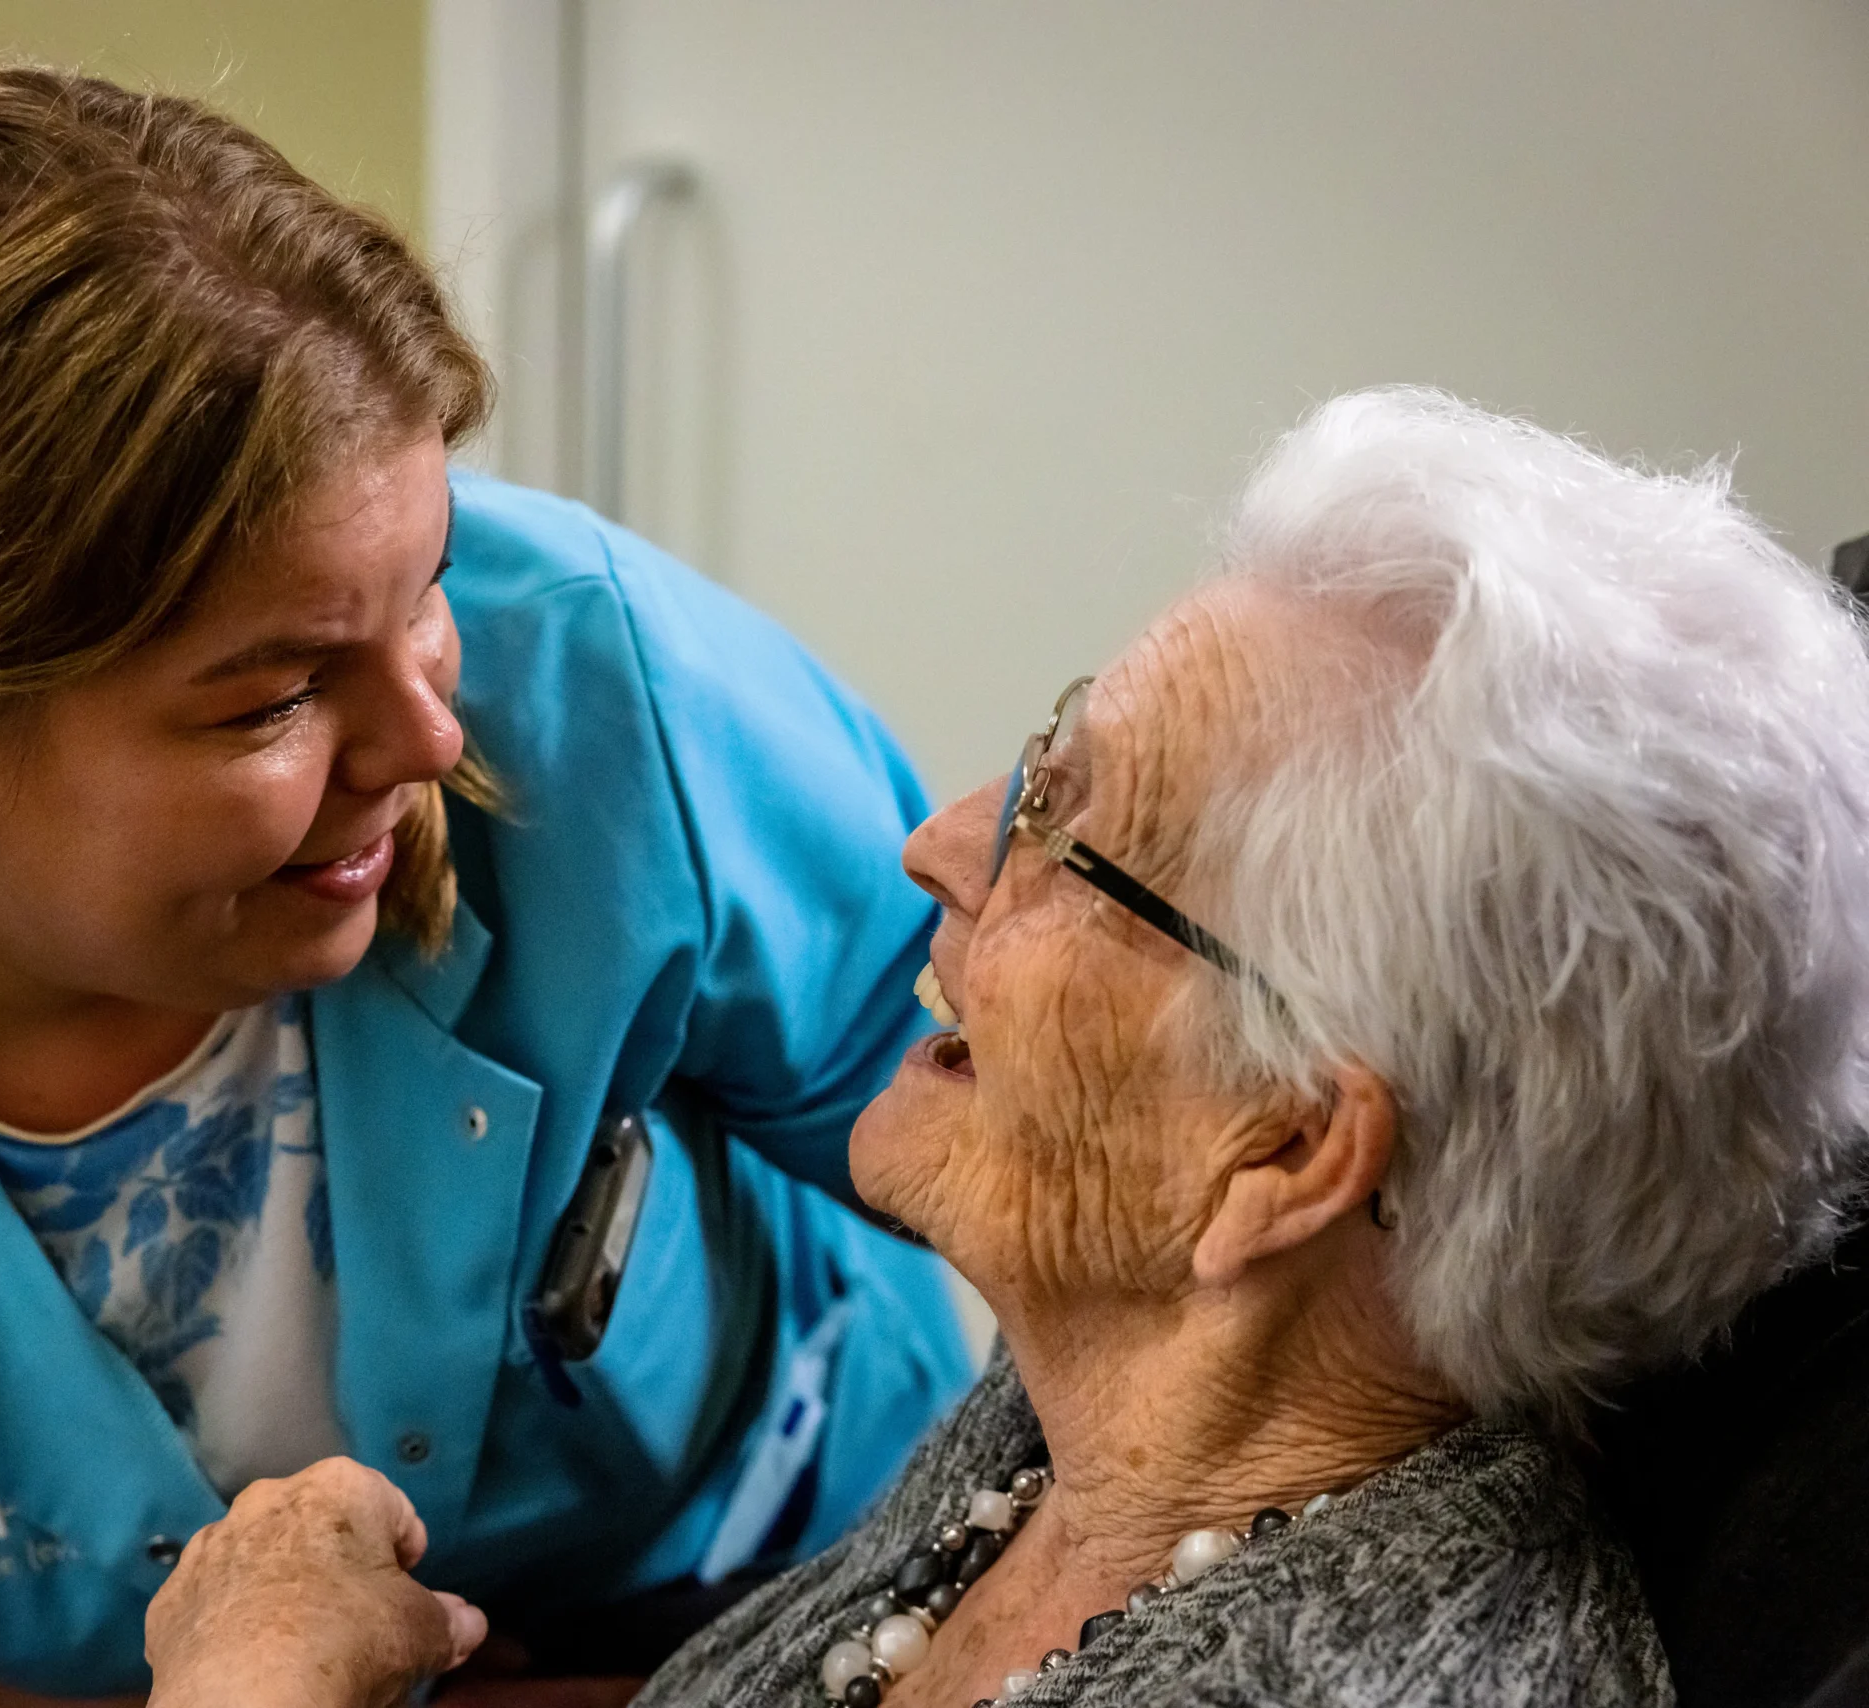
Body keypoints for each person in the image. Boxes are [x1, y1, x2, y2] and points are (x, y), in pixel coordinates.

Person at [0, 66, 973, 1702]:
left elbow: (1065, 1171)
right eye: (274, 697)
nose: (433, 735)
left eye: (428, 585)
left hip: (801, 1581)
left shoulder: (602, 682)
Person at [133, 388, 1869, 1708]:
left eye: (1074, 828)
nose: (943, 842)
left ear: (1282, 1151)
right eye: (1042, 754)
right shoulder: (1078, 1445)